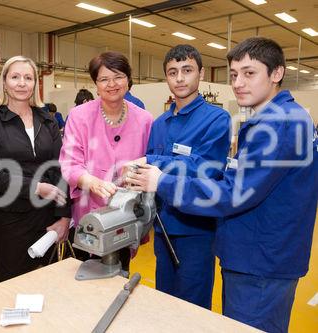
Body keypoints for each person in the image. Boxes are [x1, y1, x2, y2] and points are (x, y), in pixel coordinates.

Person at [125, 37, 317, 332]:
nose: (239, 83)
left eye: (250, 73)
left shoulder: (277, 125)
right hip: (257, 253)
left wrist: (161, 180)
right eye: (234, 75)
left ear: (276, 73)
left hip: (259, 261)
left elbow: (231, 193)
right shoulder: (279, 118)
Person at [127, 45, 231, 309]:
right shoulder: (159, 123)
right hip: (163, 228)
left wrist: (152, 162)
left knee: (192, 307)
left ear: (201, 73)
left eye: (187, 70)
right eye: (173, 72)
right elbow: (151, 175)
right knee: (165, 303)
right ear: (166, 77)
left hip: (196, 230)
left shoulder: (216, 119)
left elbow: (204, 167)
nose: (180, 78)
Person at [0, 56, 71, 282]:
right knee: (14, 286)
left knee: (52, 284)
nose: (21, 83)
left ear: (35, 84)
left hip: (48, 217)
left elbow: (61, 169)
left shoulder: (48, 120)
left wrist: (64, 216)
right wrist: (37, 187)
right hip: (11, 221)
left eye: (28, 78)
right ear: (5, 82)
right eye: (15, 77)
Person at [59, 51, 153, 270]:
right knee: (83, 279)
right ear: (96, 84)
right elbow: (69, 163)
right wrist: (91, 182)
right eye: (103, 79)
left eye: (118, 76)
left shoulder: (145, 120)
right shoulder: (79, 116)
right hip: (87, 215)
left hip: (126, 215)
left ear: (128, 80)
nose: (112, 84)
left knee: (120, 274)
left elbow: (151, 163)